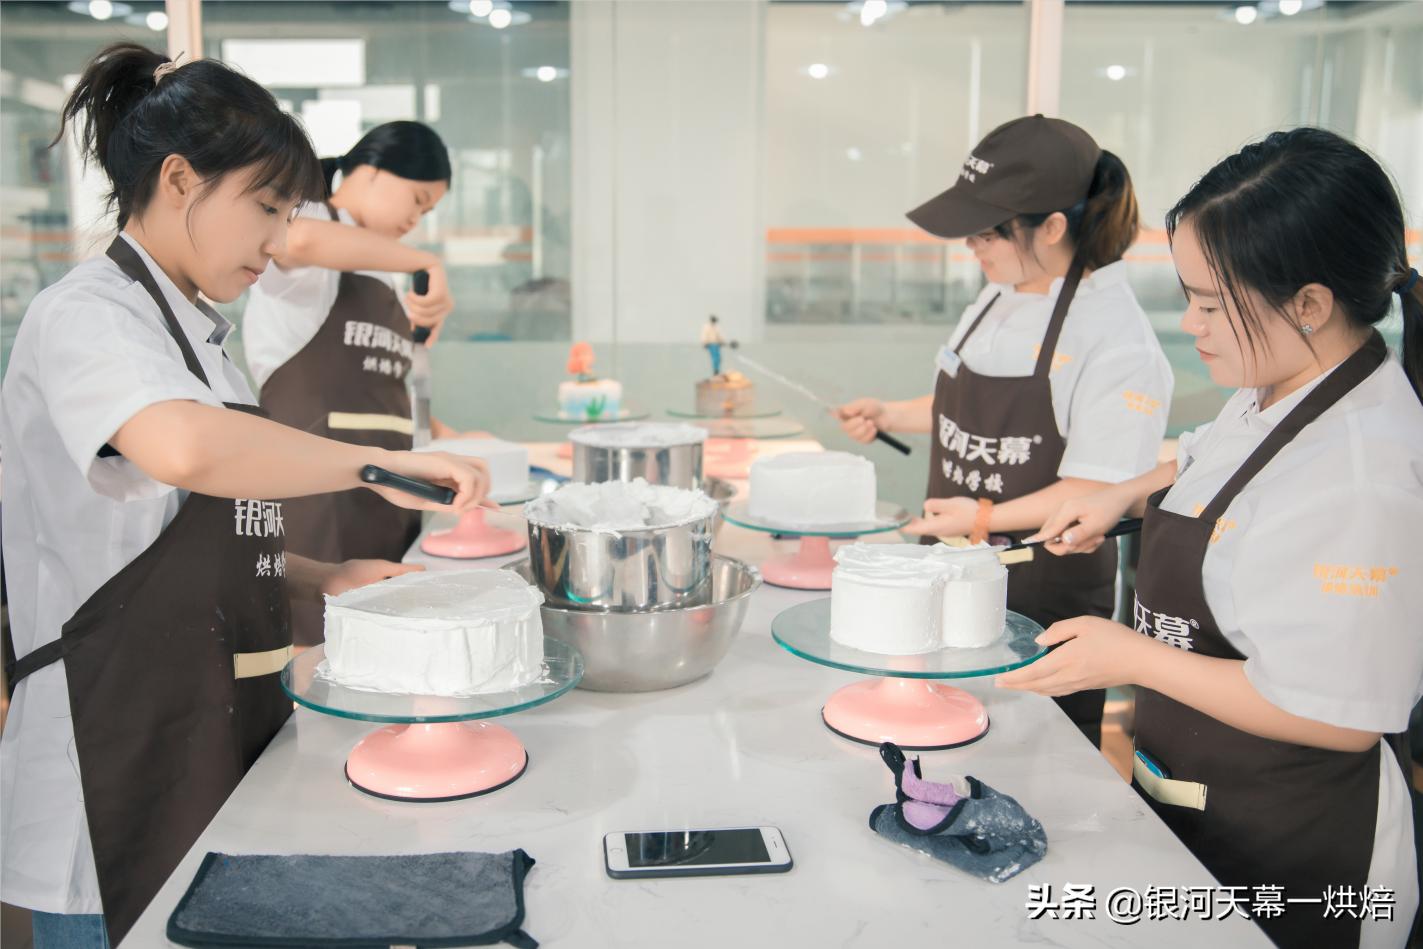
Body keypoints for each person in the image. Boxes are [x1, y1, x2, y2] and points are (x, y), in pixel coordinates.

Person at [0, 45, 490, 949]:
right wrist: (372, 465)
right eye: (265, 207)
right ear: (180, 180)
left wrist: (321, 574)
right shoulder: (85, 314)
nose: (279, 238)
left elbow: (202, 534)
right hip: (111, 749)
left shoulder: (208, 345)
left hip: (214, 729)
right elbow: (183, 449)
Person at [1003, 127, 1423, 949]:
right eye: (1186, 293)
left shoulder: (1361, 471)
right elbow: (1206, 457)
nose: (1188, 322)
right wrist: (1120, 492)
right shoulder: (1283, 379)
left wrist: (1125, 654)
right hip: (1205, 798)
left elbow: (1333, 715)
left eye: (1208, 301)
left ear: (1307, 302)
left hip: (1304, 850)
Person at [837, 116, 1173, 747]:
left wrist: (984, 518)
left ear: (1052, 227)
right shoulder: (999, 293)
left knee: (1028, 763)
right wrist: (889, 413)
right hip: (946, 575)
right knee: (929, 746)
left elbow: (1097, 488)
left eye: (987, 233)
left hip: (1040, 597)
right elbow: (956, 404)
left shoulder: (1117, 339)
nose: (972, 247)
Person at [242, 121, 471, 646]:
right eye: (416, 199)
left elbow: (389, 395)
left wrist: (449, 438)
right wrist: (426, 260)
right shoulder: (312, 216)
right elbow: (295, 240)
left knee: (384, 654)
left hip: (388, 498)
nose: (416, 219)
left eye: (428, 213)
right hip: (318, 499)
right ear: (368, 170)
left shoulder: (382, 272)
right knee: (321, 658)